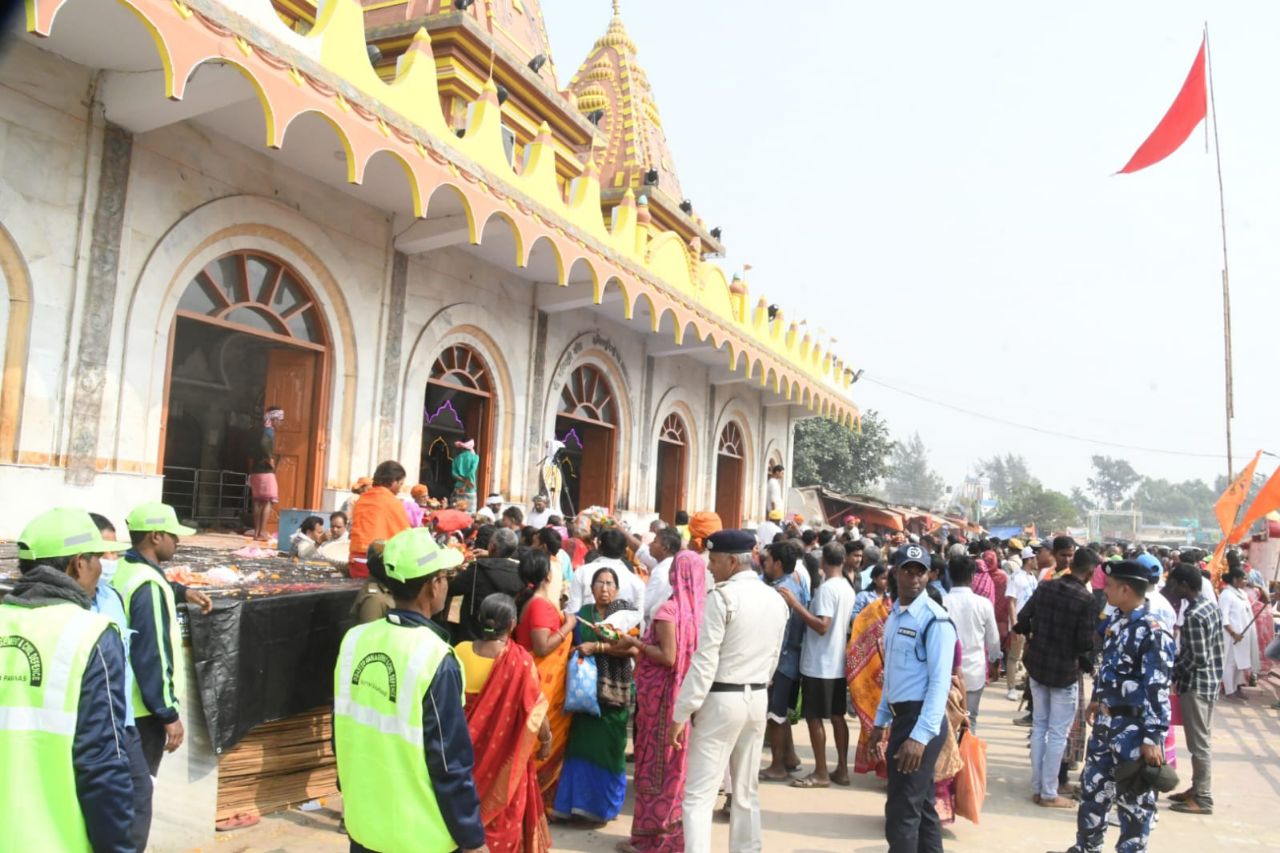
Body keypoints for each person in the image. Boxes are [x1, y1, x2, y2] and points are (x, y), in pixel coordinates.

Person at [333, 527, 486, 853]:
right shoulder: (436, 657)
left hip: (365, 826)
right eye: (444, 576)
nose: (446, 583)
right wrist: (472, 838)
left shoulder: (354, 641)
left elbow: (340, 731)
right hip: (419, 836)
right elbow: (449, 763)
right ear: (432, 587)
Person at [7, 508, 135, 852]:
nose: (102, 568)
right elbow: (102, 764)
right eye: (97, 558)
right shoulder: (89, 634)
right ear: (79, 563)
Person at [672, 529, 788, 853]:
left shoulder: (722, 597)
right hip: (756, 697)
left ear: (733, 562)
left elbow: (704, 662)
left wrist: (681, 713)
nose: (709, 567)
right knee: (746, 791)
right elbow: (774, 658)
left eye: (714, 560)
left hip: (723, 698)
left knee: (698, 796)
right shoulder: (775, 599)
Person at [1051, 559, 1174, 853]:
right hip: (1107, 726)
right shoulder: (1118, 622)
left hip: (1134, 732)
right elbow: (1110, 667)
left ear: (1126, 589)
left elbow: (1158, 687)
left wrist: (1151, 736)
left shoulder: (1152, 631)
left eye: (1109, 586)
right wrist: (1097, 698)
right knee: (1093, 792)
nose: (1104, 591)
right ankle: (1087, 847)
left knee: (1134, 803)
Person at [867, 544, 956, 853]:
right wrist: (881, 721)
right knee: (921, 806)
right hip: (901, 715)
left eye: (921, 571)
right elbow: (893, 676)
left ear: (929, 575)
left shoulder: (935, 620)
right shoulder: (895, 616)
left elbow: (939, 684)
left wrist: (919, 737)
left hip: (921, 720)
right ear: (896, 572)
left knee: (902, 811)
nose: (915, 577)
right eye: (908, 569)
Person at [616, 551, 707, 852]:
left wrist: (635, 643)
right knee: (677, 767)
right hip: (686, 696)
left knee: (656, 764)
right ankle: (674, 837)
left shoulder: (668, 610)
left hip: (662, 697)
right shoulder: (699, 611)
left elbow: (668, 657)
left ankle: (650, 839)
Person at [117, 502, 209, 778]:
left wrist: (182, 592)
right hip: (143, 711)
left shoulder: (124, 568)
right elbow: (152, 654)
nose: (178, 541)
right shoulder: (147, 585)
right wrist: (167, 713)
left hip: (120, 702)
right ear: (156, 536)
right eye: (173, 534)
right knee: (139, 793)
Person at [455, 594, 552, 853]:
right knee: (504, 819)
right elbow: (535, 713)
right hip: (506, 759)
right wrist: (546, 739)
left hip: (462, 754)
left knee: (462, 812)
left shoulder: (459, 651)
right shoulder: (520, 661)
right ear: (512, 624)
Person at [553, 566, 639, 825]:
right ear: (591, 589)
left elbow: (634, 650)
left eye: (609, 583)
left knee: (610, 749)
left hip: (614, 693)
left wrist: (597, 647)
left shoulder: (625, 614)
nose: (604, 588)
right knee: (580, 748)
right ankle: (576, 804)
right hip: (584, 694)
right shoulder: (581, 616)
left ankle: (604, 807)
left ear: (617, 589)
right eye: (600, 583)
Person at [1014, 545, 1097, 809]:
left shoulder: (1047, 587)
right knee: (1057, 733)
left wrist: (1035, 638)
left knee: (1039, 727)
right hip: (1064, 672)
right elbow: (1085, 643)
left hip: (1038, 666)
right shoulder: (1085, 599)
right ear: (1091, 571)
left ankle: (1039, 787)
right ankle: (1048, 793)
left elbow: (1022, 619)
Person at [89, 512, 153, 850]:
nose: (113, 561)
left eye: (115, 553)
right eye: (106, 553)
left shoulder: (110, 596)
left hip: (123, 722)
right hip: (93, 725)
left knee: (139, 797)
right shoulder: (76, 607)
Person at [782, 541, 856, 788]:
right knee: (837, 717)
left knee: (815, 718)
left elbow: (822, 625)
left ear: (824, 561)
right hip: (835, 662)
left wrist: (796, 605)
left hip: (820, 663)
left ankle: (821, 772)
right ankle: (841, 770)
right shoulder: (846, 586)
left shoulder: (827, 589)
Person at [514, 550, 578, 806]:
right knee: (539, 742)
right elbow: (541, 647)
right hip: (540, 682)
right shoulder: (539, 605)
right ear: (549, 575)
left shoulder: (532, 601)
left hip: (540, 679)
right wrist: (568, 626)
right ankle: (533, 803)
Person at [1164, 564, 1224, 816]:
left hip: (1197, 685)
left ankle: (1203, 796)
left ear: (1185, 586)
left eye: (1175, 584)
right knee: (1201, 740)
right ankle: (1197, 788)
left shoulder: (1195, 615)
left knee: (1198, 744)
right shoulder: (1210, 606)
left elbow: (1197, 656)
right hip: (1209, 682)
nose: (1172, 589)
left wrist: (1174, 673)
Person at [759, 540, 808, 782]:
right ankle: (789, 757)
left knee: (775, 714)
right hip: (790, 659)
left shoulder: (782, 592)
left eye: (766, 560)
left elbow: (782, 632)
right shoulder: (789, 584)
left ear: (777, 564)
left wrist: (769, 666)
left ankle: (777, 765)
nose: (763, 565)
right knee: (781, 714)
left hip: (782, 659)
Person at [943, 555, 1000, 730]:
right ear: (972, 577)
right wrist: (994, 662)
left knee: (945, 722)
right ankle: (967, 756)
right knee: (970, 719)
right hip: (974, 670)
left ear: (950, 575)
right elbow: (993, 639)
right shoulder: (983, 604)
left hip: (944, 672)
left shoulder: (941, 602)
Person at [847, 572, 894, 778]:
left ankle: (890, 769)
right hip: (878, 675)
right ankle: (884, 767)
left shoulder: (913, 611)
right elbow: (859, 637)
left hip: (897, 677)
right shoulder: (874, 609)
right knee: (881, 721)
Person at [448, 527, 523, 642]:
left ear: (491, 547)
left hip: (472, 636)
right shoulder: (520, 572)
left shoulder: (477, 569)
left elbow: (452, 589)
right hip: (503, 637)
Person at [566, 528, 646, 624]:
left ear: (599, 547)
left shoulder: (582, 572)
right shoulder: (636, 582)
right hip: (619, 636)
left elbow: (573, 610)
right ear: (625, 551)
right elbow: (638, 617)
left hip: (584, 633)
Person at [348, 460, 412, 578]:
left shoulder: (362, 499)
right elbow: (404, 536)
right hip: (377, 564)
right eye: (401, 484)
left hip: (355, 562)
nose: (400, 489)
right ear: (393, 482)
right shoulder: (393, 502)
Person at [1005, 546, 1038, 700]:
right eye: (1034, 558)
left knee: (1028, 656)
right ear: (1029, 559)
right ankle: (1011, 688)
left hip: (1030, 624)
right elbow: (1011, 602)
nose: (1037, 561)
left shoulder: (1032, 577)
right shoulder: (1015, 577)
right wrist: (1014, 624)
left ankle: (1025, 684)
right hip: (1019, 622)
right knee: (1014, 657)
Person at [248, 405, 284, 541]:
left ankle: (256, 533)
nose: (280, 423)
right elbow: (264, 444)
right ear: (273, 419)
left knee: (257, 501)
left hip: (256, 470)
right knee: (268, 500)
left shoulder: (256, 430)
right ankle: (263, 532)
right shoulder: (269, 431)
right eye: (279, 420)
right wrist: (269, 457)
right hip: (266, 470)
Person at [1218, 567, 1255, 698]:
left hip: (1244, 635)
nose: (1245, 581)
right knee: (1230, 663)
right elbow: (1223, 617)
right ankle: (1229, 690)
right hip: (1232, 635)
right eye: (1243, 579)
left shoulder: (1242, 594)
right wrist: (1233, 633)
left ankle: (1236, 687)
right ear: (1234, 579)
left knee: (1241, 663)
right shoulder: (1226, 595)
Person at [640, 527, 683, 623]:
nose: (650, 544)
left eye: (655, 542)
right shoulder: (670, 566)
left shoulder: (662, 572)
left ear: (665, 548)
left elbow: (645, 607)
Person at [453, 439, 480, 509]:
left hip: (458, 488)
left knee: (457, 512)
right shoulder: (475, 457)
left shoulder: (456, 458)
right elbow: (471, 472)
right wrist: (466, 485)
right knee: (470, 513)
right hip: (470, 489)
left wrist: (463, 484)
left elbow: (454, 474)